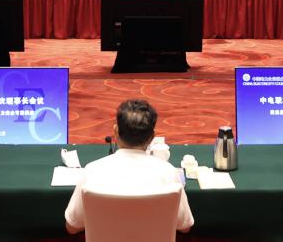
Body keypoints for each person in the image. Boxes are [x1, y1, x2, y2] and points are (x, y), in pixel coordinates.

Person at [64, 99, 193, 235]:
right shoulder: (169, 173)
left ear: (115, 131)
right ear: (152, 137)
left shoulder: (92, 171)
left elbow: (72, 227)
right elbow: (185, 227)